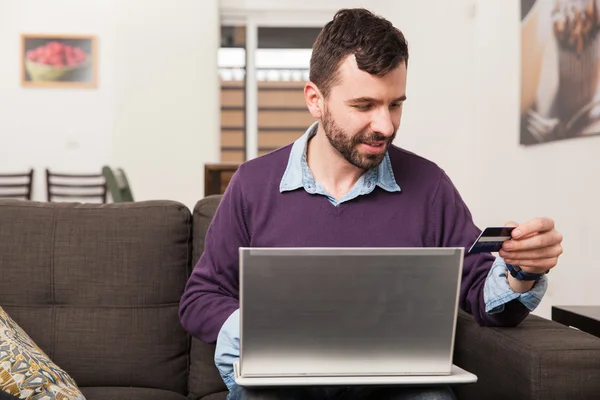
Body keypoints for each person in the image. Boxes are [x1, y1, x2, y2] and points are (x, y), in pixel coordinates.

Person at [179, 8, 564, 400]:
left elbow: (484, 298)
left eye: (395, 104)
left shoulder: (430, 186)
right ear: (316, 99)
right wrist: (264, 334)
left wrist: (523, 271)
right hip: (284, 386)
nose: (386, 126)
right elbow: (200, 298)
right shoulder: (253, 184)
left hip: (400, 388)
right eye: (364, 106)